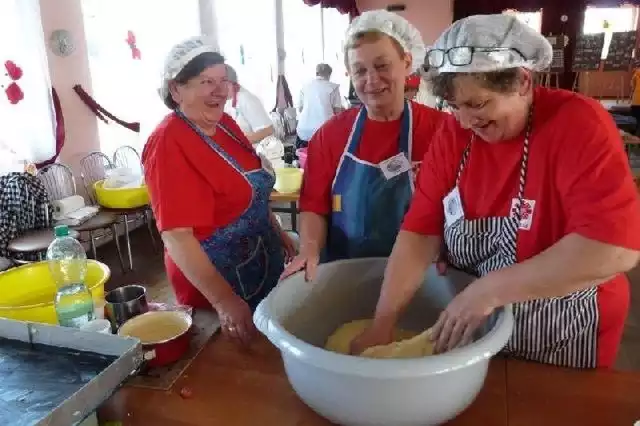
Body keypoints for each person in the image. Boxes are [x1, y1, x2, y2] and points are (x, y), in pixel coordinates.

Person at [351, 14, 640, 369]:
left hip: (564, 334)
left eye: (478, 104)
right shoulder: (456, 135)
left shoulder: (578, 123)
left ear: (521, 81)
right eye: (455, 107)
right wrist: (383, 323)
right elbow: (419, 232)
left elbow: (613, 250)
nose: (464, 121)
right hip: (477, 328)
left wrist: (489, 291)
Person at [142, 37, 297, 344]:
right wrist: (224, 301)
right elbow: (177, 236)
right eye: (206, 82)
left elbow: (253, 193)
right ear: (176, 89)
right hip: (214, 281)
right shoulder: (168, 142)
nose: (220, 91)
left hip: (259, 260)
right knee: (229, 371)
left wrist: (278, 234)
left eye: (223, 80)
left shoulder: (225, 124)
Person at [282, 10, 448, 280]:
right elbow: (314, 206)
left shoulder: (442, 131)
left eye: (382, 66)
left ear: (407, 62)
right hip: (343, 272)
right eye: (359, 70)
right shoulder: (331, 135)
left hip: (420, 275)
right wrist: (309, 249)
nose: (371, 80)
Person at [296, 63, 345, 149]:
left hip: (303, 131)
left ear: (316, 73)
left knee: (303, 157)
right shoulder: (333, 87)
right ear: (329, 74)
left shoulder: (305, 86)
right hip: (324, 132)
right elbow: (338, 112)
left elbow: (300, 109)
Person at [224, 64, 275, 145]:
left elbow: (268, 130)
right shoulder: (226, 100)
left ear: (230, 83)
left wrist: (239, 140)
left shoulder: (246, 99)